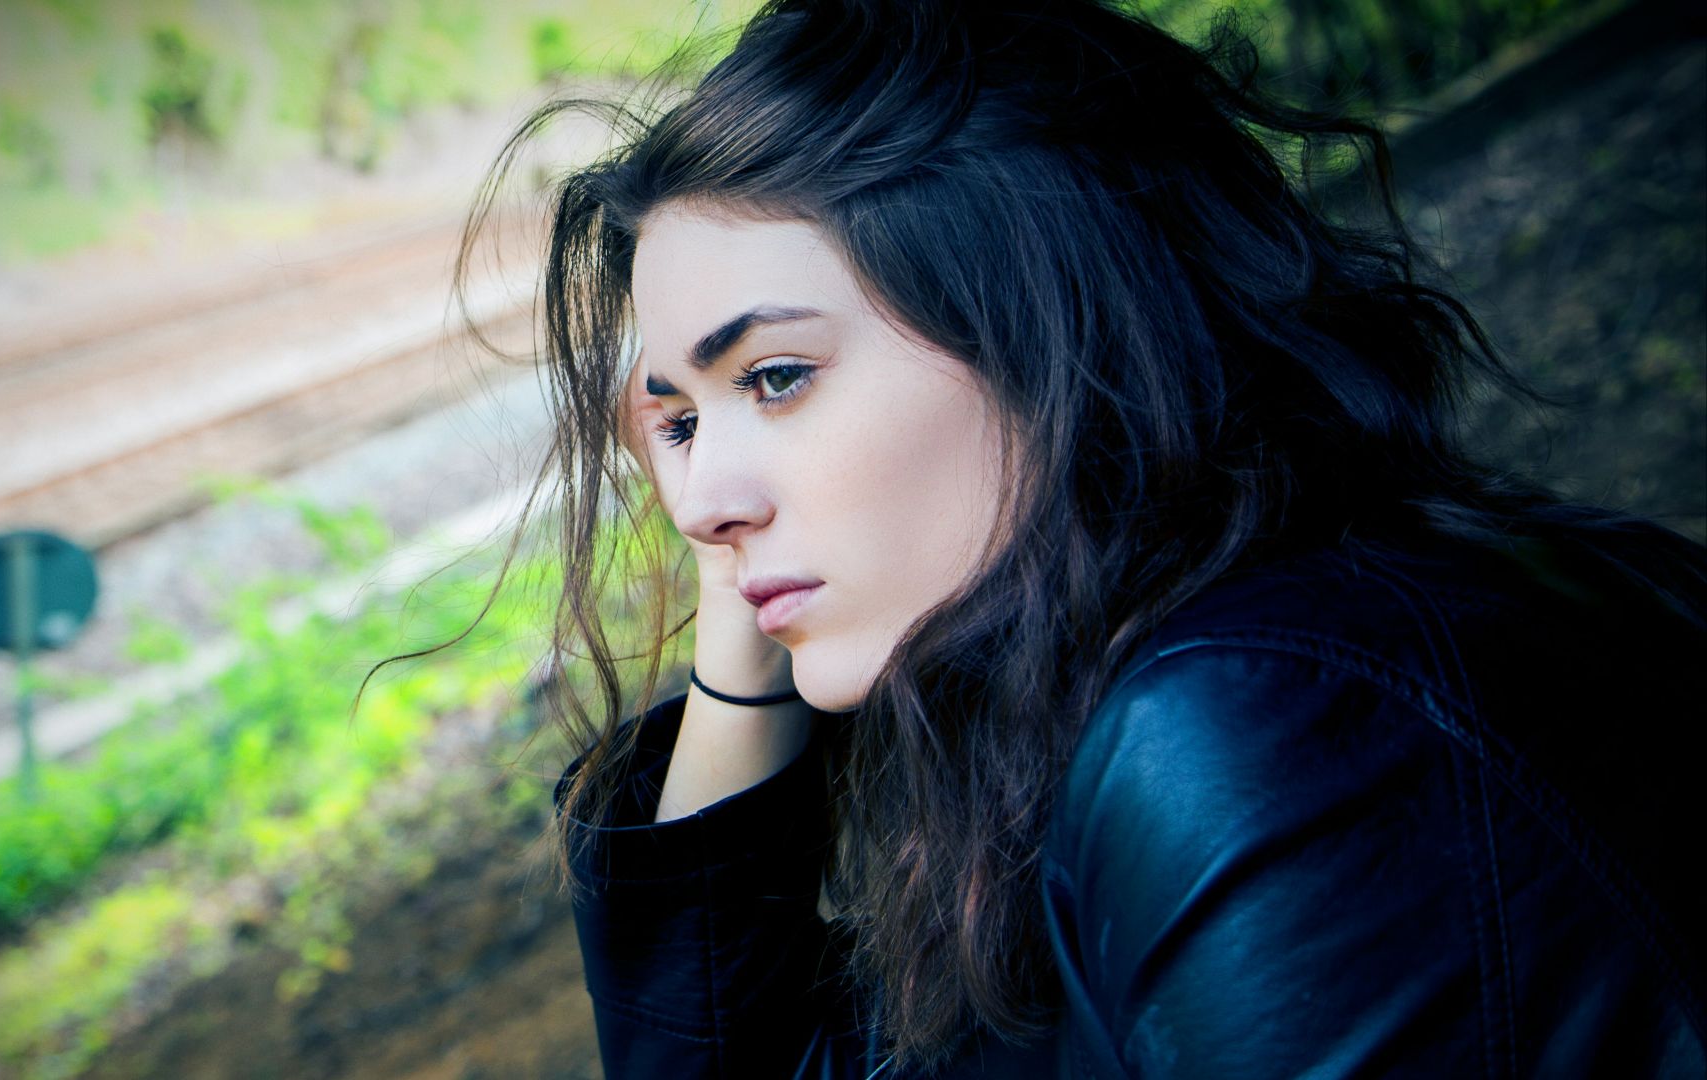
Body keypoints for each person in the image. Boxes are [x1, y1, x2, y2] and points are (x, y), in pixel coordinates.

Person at [425, 0, 1707, 1074]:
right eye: (677, 420)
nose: (699, 500)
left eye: (773, 377)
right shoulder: (1118, 701)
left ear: (1043, 324)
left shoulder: (1265, 731)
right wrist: (739, 605)